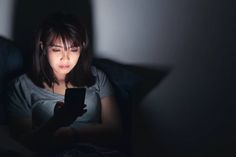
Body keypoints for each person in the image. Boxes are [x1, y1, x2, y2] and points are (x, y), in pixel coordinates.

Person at [6, 12, 122, 156]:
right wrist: (56, 122)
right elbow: (23, 143)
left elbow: (115, 131)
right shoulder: (21, 86)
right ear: (43, 47)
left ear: (82, 47)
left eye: (74, 49)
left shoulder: (97, 77)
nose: (65, 58)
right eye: (56, 49)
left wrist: (71, 133)